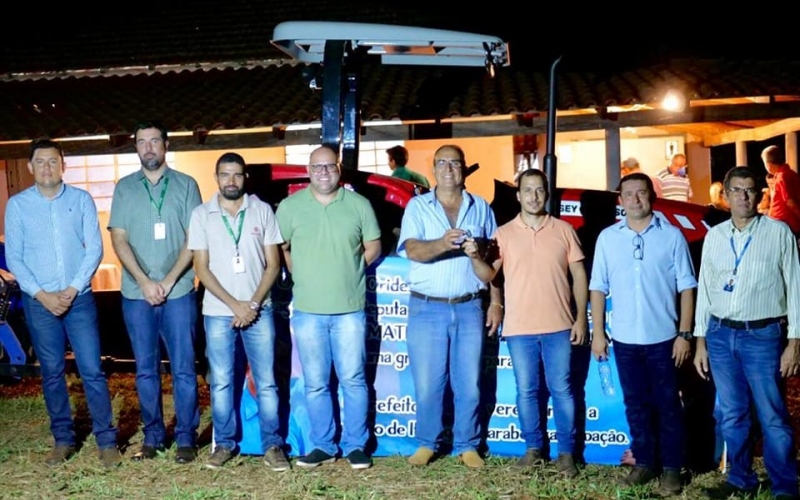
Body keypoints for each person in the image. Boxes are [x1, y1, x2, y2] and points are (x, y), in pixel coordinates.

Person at [4, 139, 121, 468]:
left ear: (62, 165)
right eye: (40, 162)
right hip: (39, 302)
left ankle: (106, 441)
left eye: (53, 161)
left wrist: (72, 288)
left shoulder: (81, 200)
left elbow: (94, 248)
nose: (46, 167)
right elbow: (15, 256)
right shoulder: (18, 206)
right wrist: (42, 294)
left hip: (78, 299)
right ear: (30, 167)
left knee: (92, 370)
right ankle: (63, 439)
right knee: (52, 373)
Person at [693, 166, 800, 500]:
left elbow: (795, 287)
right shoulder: (715, 236)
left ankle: (784, 487)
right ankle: (740, 480)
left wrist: (795, 341)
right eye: (736, 190)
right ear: (725, 195)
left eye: (750, 190)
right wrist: (699, 340)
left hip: (763, 335)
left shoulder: (779, 232)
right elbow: (705, 292)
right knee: (732, 413)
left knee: (772, 415)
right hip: (720, 335)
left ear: (760, 194)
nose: (743, 196)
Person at [589, 172, 696, 496]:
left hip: (664, 338)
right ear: (621, 200)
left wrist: (685, 334)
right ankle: (645, 461)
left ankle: (672, 469)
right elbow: (597, 286)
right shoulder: (608, 238)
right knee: (635, 405)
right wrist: (598, 332)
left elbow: (687, 287)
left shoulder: (672, 236)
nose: (635, 200)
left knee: (667, 405)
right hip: (624, 339)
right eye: (629, 194)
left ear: (651, 196)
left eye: (641, 193)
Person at [275, 145, 381, 470]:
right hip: (307, 310)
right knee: (316, 382)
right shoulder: (290, 207)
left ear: (339, 169)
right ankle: (323, 444)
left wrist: (351, 269)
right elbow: (281, 247)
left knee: (353, 380)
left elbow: (374, 245)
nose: (323, 172)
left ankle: (355, 445)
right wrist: (297, 270)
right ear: (308, 171)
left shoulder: (359, 205)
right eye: (317, 167)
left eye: (329, 166)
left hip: (349, 309)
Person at [397, 144, 501, 468]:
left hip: (470, 306)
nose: (448, 169)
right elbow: (412, 249)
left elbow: (493, 257)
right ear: (433, 169)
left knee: (468, 381)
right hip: (427, 307)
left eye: (454, 163)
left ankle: (467, 444)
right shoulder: (417, 206)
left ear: (464, 169)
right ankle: (428, 442)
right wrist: (443, 243)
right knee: (428, 382)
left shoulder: (481, 206)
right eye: (441, 163)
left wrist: (495, 300)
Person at [481, 169, 587, 477]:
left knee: (563, 390)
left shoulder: (564, 230)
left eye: (539, 190)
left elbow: (579, 276)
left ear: (547, 194)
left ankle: (567, 453)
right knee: (526, 390)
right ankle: (534, 449)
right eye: (528, 190)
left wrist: (580, 318)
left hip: (559, 325)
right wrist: (497, 303)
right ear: (518, 195)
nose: (534, 196)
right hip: (519, 328)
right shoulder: (503, 233)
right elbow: (492, 276)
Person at [187, 152, 289, 471]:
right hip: (218, 311)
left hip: (260, 309)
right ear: (216, 177)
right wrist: (236, 306)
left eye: (237, 175)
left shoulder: (262, 211)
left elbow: (273, 265)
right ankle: (225, 444)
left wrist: (253, 305)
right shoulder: (201, 214)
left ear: (245, 178)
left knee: (267, 380)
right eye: (225, 175)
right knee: (220, 381)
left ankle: (273, 444)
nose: (231, 181)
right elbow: (201, 268)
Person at [108, 120, 202, 464]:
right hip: (137, 293)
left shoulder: (187, 185)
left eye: (154, 141)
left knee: (183, 368)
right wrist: (146, 281)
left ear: (166, 145)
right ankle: (152, 436)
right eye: (141, 142)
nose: (148, 147)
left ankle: (186, 438)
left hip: (178, 292)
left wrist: (170, 279)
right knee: (146, 370)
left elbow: (195, 238)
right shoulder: (124, 188)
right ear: (136, 147)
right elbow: (118, 238)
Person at [761, 145, 800, 237]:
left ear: (768, 165)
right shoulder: (791, 174)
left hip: (784, 225)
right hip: (784, 224)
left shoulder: (782, 177)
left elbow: (790, 202)